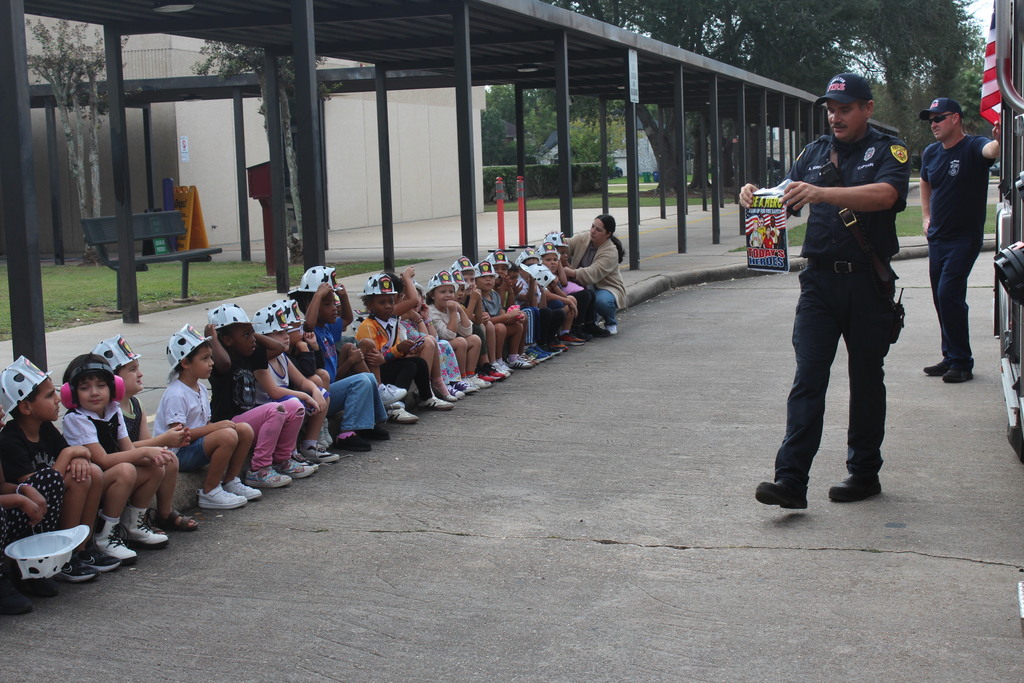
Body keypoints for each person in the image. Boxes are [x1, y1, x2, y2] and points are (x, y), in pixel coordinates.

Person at [739, 72, 910, 508]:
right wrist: (759, 194)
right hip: (818, 282)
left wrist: (824, 192)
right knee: (808, 378)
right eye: (831, 109)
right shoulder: (814, 152)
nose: (835, 116)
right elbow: (788, 196)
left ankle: (864, 472)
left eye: (845, 108)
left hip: (867, 282)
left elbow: (886, 195)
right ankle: (791, 480)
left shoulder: (889, 150)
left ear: (867, 109)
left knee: (866, 379)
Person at [918, 97, 1000, 383]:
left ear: (955, 119)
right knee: (941, 299)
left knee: (949, 294)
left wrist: (999, 140)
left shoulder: (973, 146)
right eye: (931, 121)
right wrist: (926, 216)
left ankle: (962, 363)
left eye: (938, 119)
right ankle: (950, 356)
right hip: (938, 238)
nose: (934, 125)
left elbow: (992, 151)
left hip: (964, 238)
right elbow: (925, 182)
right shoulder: (931, 153)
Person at [61, 353, 172, 557]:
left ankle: (133, 525)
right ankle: (105, 535)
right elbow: (102, 460)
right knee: (125, 470)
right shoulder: (77, 419)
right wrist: (146, 450)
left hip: (110, 480)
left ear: (113, 387)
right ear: (72, 393)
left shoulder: (113, 409)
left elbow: (128, 449)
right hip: (91, 484)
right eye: (85, 388)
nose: (94, 393)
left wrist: (151, 455)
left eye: (101, 386)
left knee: (154, 466)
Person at [92, 335, 197, 531]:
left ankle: (164, 513)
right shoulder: (110, 411)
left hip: (133, 460)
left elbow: (146, 443)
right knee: (157, 460)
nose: (140, 374)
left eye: (138, 367)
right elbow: (120, 450)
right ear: (112, 379)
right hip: (118, 466)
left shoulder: (135, 404)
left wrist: (168, 441)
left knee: (169, 458)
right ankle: (133, 522)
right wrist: (162, 439)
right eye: (132, 370)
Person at [206, 303, 313, 489]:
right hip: (227, 424)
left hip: (249, 423)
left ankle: (283, 459)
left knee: (294, 406)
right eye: (246, 335)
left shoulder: (251, 355)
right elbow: (223, 363)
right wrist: (213, 339)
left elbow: (279, 347)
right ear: (227, 340)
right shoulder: (221, 363)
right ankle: (259, 469)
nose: (252, 339)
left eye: (252, 333)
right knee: (275, 410)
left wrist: (250, 332)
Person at [155, 324, 259, 510]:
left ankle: (231, 481)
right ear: (186, 363)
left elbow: (206, 423)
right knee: (227, 435)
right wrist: (216, 428)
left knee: (244, 429)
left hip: (196, 445)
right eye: (205, 358)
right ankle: (210, 491)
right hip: (179, 454)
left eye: (210, 357)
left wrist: (216, 427)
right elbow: (177, 437)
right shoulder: (176, 394)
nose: (211, 362)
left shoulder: (201, 388)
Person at [563, 214, 627, 336]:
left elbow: (593, 273)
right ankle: (588, 322)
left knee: (601, 301)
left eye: (598, 230)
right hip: (584, 284)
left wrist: (570, 272)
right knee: (584, 293)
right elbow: (567, 245)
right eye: (593, 226)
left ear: (608, 234)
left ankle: (610, 321)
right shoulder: (584, 238)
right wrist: (555, 240)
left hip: (604, 287)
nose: (593, 231)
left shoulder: (611, 251)